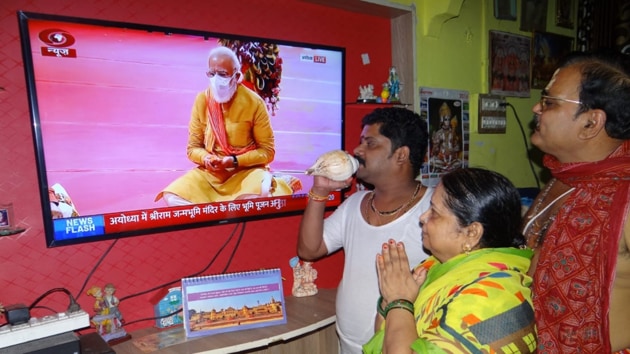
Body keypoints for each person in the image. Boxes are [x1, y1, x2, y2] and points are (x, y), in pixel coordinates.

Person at [297, 107, 433, 354]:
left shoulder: (434, 210)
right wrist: (320, 193)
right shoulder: (354, 205)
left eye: (370, 143)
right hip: (348, 345)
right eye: (360, 142)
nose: (358, 151)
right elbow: (309, 249)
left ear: (401, 154)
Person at [522, 49, 630, 353]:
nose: (536, 108)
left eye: (549, 102)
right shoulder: (562, 178)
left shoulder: (625, 194)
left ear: (591, 123)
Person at [364, 168, 537, 353]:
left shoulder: (492, 296)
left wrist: (399, 300)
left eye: (435, 212)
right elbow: (388, 336)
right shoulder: (434, 266)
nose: (423, 218)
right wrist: (390, 300)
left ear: (472, 233)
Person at [155, 46, 297, 206]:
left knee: (260, 198)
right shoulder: (202, 100)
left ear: (236, 76)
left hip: (246, 171)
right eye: (211, 74)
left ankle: (273, 181)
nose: (216, 79)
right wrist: (206, 158)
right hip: (213, 175)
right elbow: (193, 148)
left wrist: (233, 161)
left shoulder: (254, 103)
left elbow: (267, 152)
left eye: (222, 74)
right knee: (173, 197)